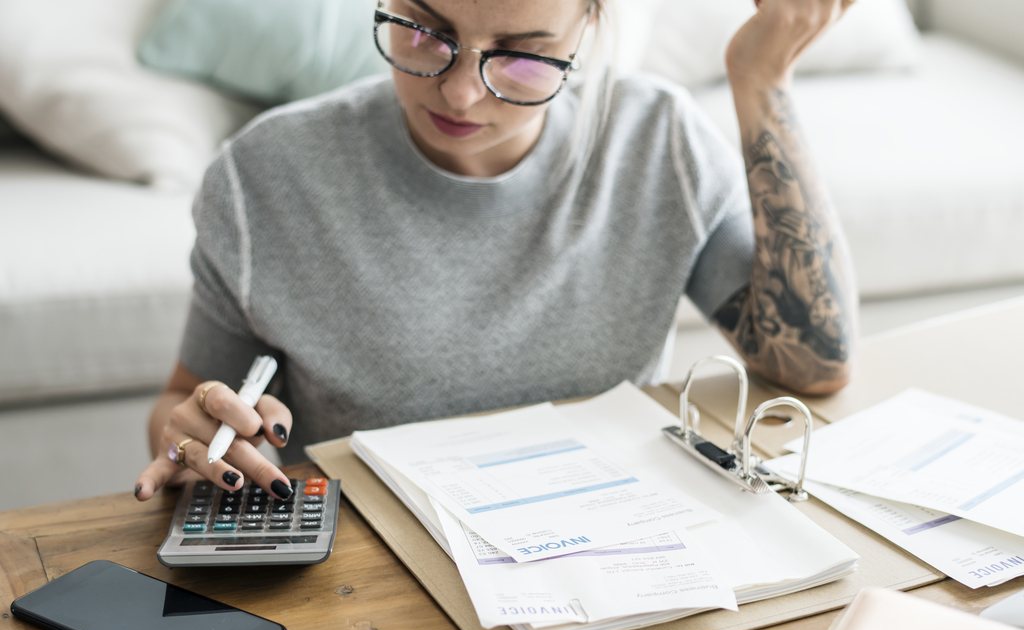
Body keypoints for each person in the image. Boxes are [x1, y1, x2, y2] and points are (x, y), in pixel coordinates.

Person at [135, 0, 858, 502]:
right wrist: (189, 439)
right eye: (423, 30)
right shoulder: (265, 177)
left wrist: (763, 80)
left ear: (590, 26)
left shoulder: (658, 143)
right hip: (373, 577)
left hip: (614, 546)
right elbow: (186, 399)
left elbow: (811, 362)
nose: (459, 94)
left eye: (521, 57)